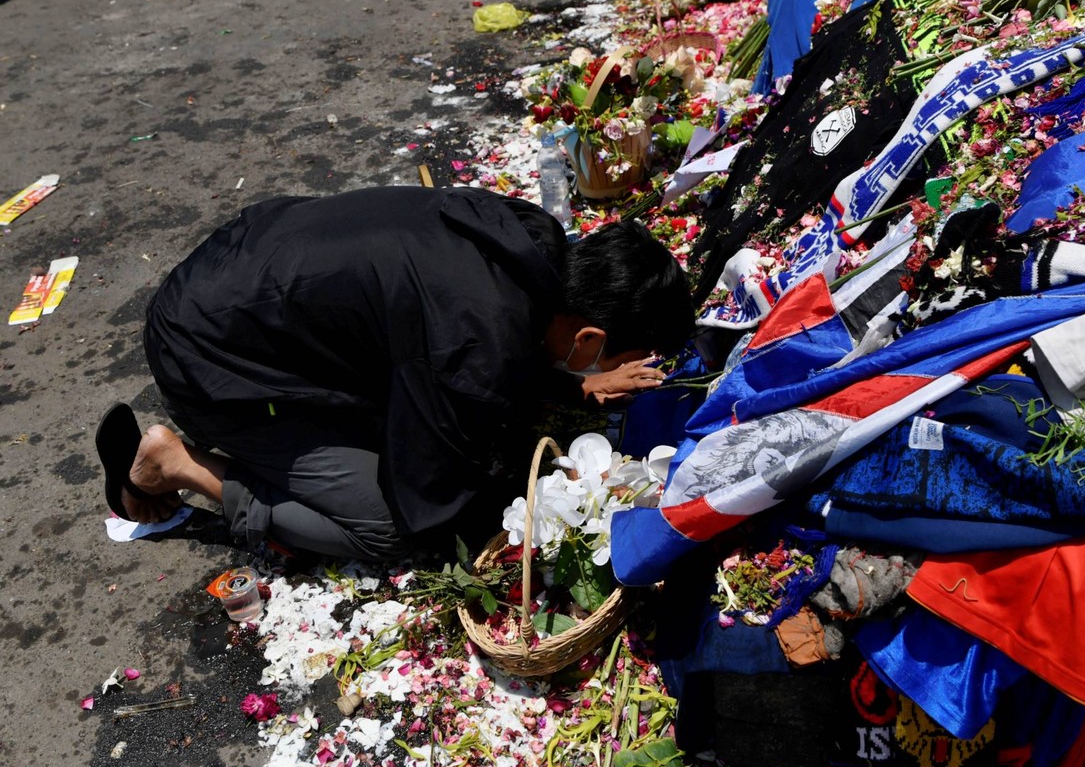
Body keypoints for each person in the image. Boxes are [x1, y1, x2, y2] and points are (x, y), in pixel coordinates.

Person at [95, 185, 694, 561]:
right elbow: (428, 498)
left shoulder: (528, 236)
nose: (611, 371)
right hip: (211, 366)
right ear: (589, 336)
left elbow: (491, 338)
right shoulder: (474, 340)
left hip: (230, 279)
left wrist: (572, 380)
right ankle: (179, 465)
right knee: (390, 531)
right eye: (612, 358)